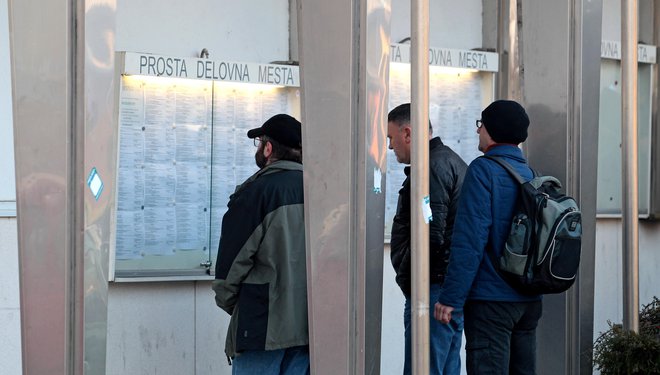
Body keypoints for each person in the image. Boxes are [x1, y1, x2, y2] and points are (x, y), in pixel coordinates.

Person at [434, 100, 543, 374]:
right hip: (529, 301)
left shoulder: (483, 171)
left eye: (480, 125)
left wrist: (451, 298)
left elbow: (469, 241)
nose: (478, 131)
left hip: (492, 303)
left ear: (492, 130)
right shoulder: (531, 175)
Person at [212, 114, 309, 375]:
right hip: (310, 326)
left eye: (259, 142)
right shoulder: (320, 191)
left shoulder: (255, 193)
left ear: (268, 148)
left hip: (261, 328)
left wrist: (243, 305)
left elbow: (228, 273)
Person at [387, 103, 468, 375]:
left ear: (407, 133)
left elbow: (430, 235)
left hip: (431, 288)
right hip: (446, 287)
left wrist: (408, 275)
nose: (390, 147)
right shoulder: (450, 160)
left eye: (391, 138)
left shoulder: (431, 167)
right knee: (447, 367)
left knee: (423, 368)